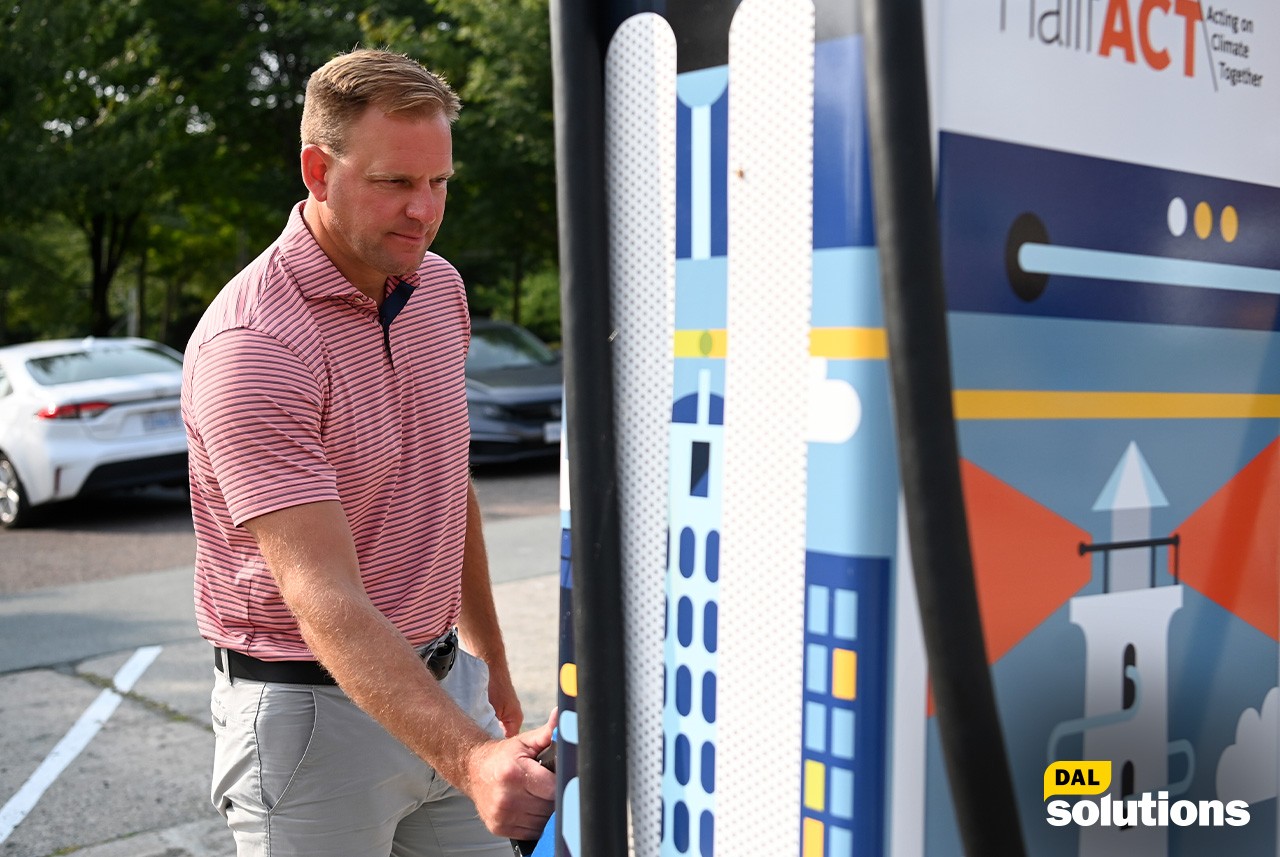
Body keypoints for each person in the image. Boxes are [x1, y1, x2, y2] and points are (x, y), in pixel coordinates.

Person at [181, 48, 555, 857]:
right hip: (310, 722)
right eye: (394, 182)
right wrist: (470, 753)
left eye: (439, 183)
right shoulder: (256, 344)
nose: (423, 210)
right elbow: (324, 598)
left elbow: (446, 482)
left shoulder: (438, 290)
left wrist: (485, 659)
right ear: (319, 170)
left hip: (443, 683)